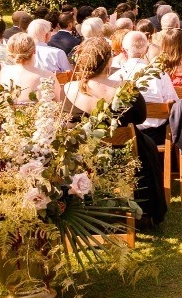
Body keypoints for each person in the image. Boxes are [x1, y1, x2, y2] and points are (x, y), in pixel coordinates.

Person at [63, 38, 166, 226]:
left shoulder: (68, 89)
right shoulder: (125, 88)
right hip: (125, 156)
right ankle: (144, 212)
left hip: (84, 159)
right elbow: (141, 118)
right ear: (109, 61)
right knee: (147, 144)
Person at [111, 30, 178, 144]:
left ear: (124, 50)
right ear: (146, 50)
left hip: (126, 137)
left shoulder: (116, 77)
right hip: (157, 135)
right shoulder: (160, 74)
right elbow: (175, 104)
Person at [0, 33, 63, 104]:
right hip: (39, 114)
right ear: (35, 50)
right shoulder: (47, 76)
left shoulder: (5, 71)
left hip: (9, 114)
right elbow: (60, 103)